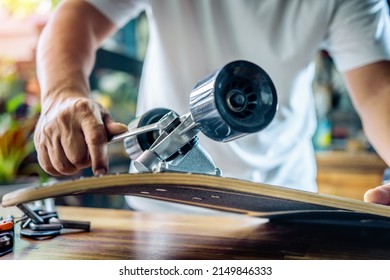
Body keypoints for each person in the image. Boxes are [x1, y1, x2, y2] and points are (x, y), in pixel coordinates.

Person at [33, 0, 390, 211]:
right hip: (167, 205)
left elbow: (378, 91)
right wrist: (61, 94)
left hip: (285, 200)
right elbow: (78, 15)